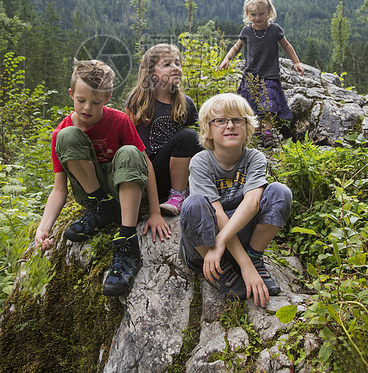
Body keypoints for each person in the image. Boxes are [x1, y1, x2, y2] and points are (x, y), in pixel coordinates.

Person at [34, 59, 170, 298]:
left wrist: (156, 212)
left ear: (106, 99)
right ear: (71, 94)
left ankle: (127, 241)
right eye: (81, 100)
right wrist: (44, 228)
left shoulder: (118, 120)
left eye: (96, 102)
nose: (87, 108)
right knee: (67, 136)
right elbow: (59, 190)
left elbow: (144, 163)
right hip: (92, 193)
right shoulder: (61, 130)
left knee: (130, 152)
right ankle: (100, 208)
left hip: (123, 191)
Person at [179, 93, 292, 307]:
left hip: (236, 238)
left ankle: (255, 256)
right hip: (206, 245)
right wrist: (231, 256)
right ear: (208, 130)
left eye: (237, 120)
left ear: (248, 126)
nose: (229, 125)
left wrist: (247, 261)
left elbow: (252, 204)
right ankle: (218, 267)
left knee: (280, 192)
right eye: (220, 120)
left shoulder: (254, 158)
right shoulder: (201, 161)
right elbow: (218, 214)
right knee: (193, 204)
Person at [218, 0, 304, 147]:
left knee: (268, 104)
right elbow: (236, 47)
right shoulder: (247, 31)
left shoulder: (275, 30)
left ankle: (268, 133)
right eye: (253, 14)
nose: (257, 18)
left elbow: (286, 46)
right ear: (247, 14)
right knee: (251, 105)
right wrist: (227, 59)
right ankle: (257, 132)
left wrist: (296, 62)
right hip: (251, 74)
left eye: (261, 14)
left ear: (269, 12)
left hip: (269, 74)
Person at [126, 43, 201, 215]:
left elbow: (188, 147)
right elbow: (128, 140)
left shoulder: (186, 103)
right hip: (151, 171)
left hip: (179, 170)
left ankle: (184, 191)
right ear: (151, 73)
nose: (175, 68)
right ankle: (177, 196)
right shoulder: (138, 100)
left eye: (177, 63)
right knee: (188, 136)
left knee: (195, 140)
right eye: (167, 64)